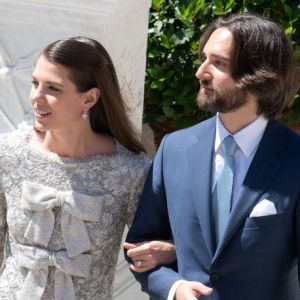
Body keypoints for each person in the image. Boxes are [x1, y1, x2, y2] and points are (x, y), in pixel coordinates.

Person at [125, 12, 300, 300]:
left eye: (218, 63)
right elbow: (139, 245)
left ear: (258, 74)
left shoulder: (295, 160)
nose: (201, 72)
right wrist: (174, 287)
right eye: (203, 59)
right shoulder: (174, 149)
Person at [0, 36, 175, 300]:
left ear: (90, 98)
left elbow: (154, 249)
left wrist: (171, 249)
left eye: (53, 88)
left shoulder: (130, 172)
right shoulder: (8, 154)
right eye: (35, 83)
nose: (36, 97)